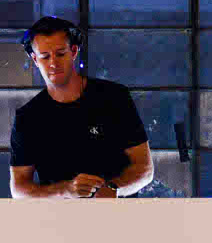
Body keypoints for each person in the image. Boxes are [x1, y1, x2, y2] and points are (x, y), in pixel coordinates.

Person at [8, 16, 154, 200]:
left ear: (74, 51)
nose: (53, 63)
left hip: (117, 214)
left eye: (60, 54)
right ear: (35, 59)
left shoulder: (114, 98)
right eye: (45, 57)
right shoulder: (28, 118)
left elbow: (144, 169)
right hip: (57, 217)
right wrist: (65, 190)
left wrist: (113, 189)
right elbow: (19, 188)